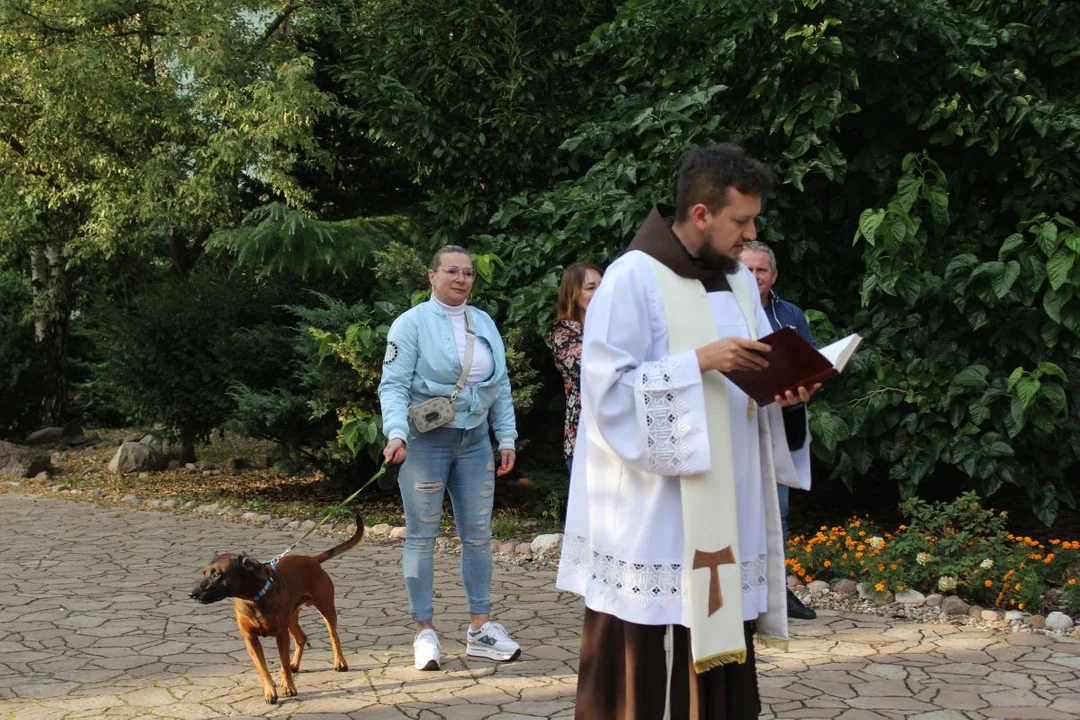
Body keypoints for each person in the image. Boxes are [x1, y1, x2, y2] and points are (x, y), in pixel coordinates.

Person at [556, 144, 817, 720]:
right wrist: (698, 361)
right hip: (652, 505)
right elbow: (606, 390)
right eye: (740, 222)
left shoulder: (739, 283)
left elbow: (747, 377)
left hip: (727, 495)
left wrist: (785, 392)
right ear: (701, 215)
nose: (749, 236)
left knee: (719, 633)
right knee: (636, 639)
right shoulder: (632, 278)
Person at [378, 245, 521, 672]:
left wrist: (507, 436)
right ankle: (424, 632)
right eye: (452, 272)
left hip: (475, 441)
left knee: (478, 535)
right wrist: (396, 433)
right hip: (425, 442)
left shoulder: (485, 322)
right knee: (422, 536)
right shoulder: (410, 324)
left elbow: (500, 384)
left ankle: (480, 628)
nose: (461, 279)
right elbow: (393, 385)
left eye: (469, 273)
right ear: (432, 276)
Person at [740, 241, 817, 621]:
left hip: (782, 420)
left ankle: (778, 591)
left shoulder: (790, 314)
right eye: (747, 269)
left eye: (761, 270)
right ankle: (742, 592)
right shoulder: (724, 311)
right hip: (740, 421)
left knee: (779, 509)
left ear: (774, 275)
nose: (755, 277)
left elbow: (811, 361)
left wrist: (807, 385)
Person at [548, 263, 604, 474]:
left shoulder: (614, 326)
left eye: (603, 286)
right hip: (585, 438)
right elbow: (597, 367)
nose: (599, 293)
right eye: (590, 288)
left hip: (620, 435)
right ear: (573, 295)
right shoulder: (563, 333)